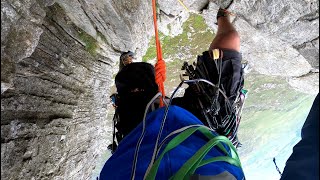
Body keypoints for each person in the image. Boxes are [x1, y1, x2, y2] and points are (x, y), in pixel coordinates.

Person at [100, 1, 246, 179]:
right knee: (230, 39)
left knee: (134, 81)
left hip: (160, 140)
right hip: (188, 135)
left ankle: (127, 66)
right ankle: (222, 16)